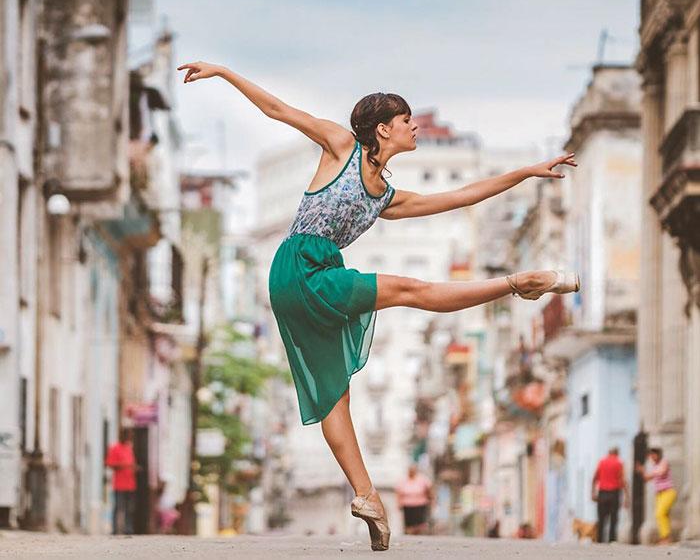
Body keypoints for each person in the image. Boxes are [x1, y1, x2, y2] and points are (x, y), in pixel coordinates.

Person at [177, 61, 581, 552]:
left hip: (298, 279)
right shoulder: (340, 145)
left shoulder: (387, 196)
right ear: (384, 128)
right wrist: (222, 72)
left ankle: (367, 496)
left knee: (335, 395)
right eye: (407, 120)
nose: (414, 127)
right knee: (412, 291)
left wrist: (523, 172)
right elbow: (276, 109)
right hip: (305, 268)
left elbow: (459, 197)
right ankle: (520, 282)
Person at [636, 447, 676, 545]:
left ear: (658, 454)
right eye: (650, 455)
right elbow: (647, 478)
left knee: (660, 513)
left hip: (668, 492)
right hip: (659, 494)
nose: (652, 457)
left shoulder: (664, 462)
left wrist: (649, 473)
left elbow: (661, 472)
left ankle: (665, 537)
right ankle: (666, 538)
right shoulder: (654, 466)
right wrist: (642, 471)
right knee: (663, 515)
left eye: (653, 455)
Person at [591, 446, 629, 543]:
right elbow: (622, 480)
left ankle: (600, 540)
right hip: (614, 493)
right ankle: (611, 540)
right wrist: (627, 497)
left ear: (609, 453)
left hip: (602, 493)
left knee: (601, 518)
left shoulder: (602, 462)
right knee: (613, 518)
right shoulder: (619, 463)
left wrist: (593, 493)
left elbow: (594, 478)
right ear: (617, 453)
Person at [105, 428, 137, 535]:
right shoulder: (115, 448)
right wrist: (123, 465)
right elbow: (109, 463)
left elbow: (132, 463)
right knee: (118, 507)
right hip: (119, 484)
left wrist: (134, 467)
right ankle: (115, 529)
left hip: (130, 484)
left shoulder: (129, 448)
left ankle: (128, 529)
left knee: (129, 508)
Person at [396, 464, 433, 535]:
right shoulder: (403, 480)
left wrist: (430, 499)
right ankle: (410, 535)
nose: (411, 472)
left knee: (419, 523)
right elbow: (398, 492)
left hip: (420, 504)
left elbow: (429, 489)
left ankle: (418, 534)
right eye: (410, 471)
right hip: (407, 505)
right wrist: (398, 503)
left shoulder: (422, 479)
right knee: (409, 523)